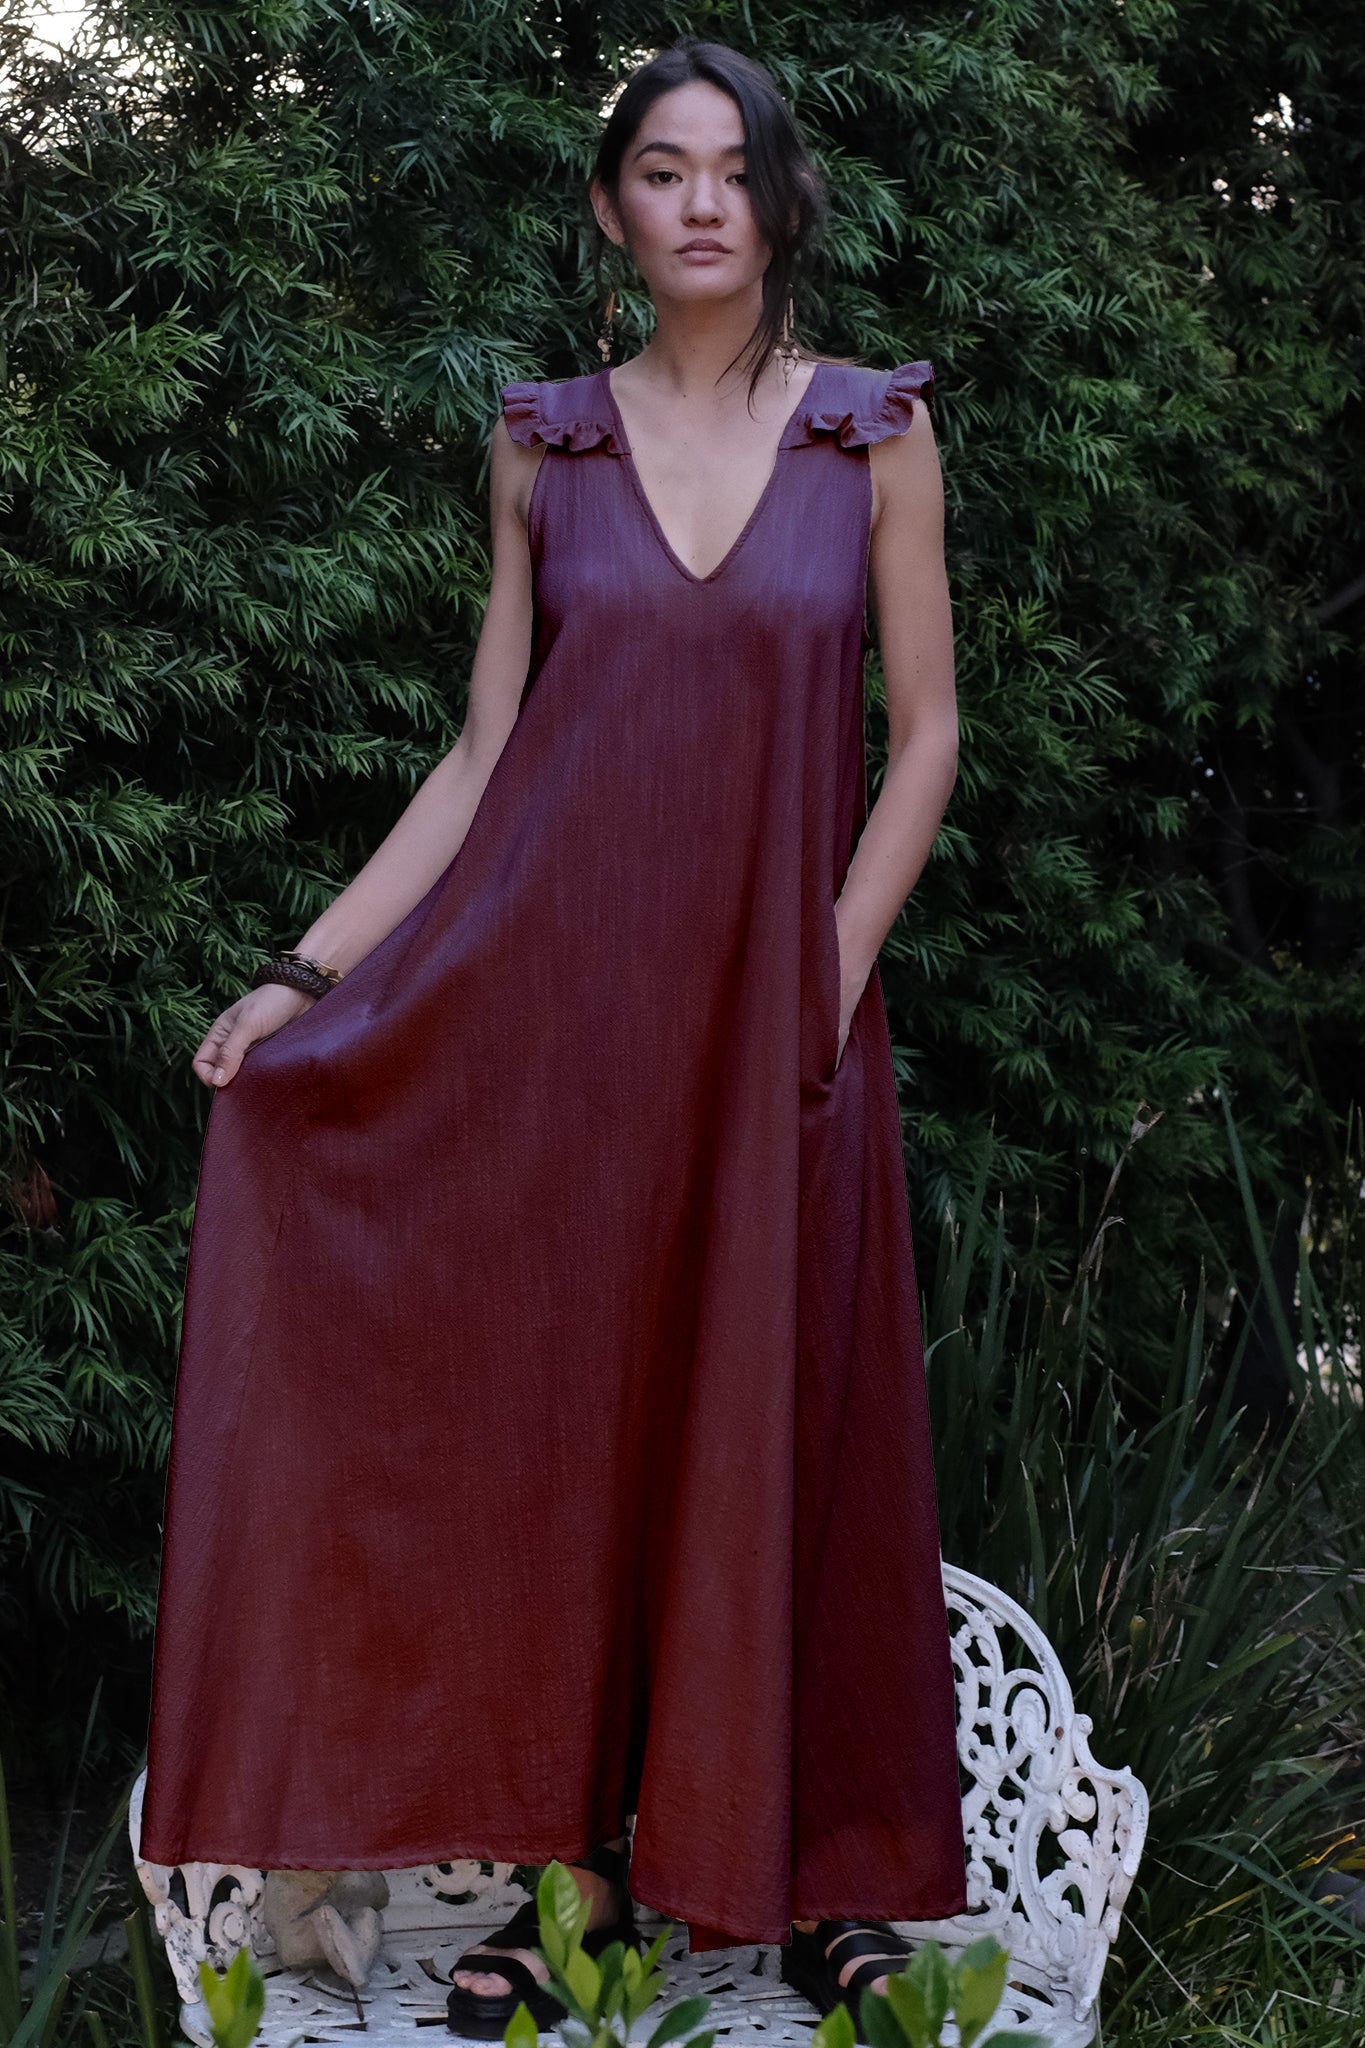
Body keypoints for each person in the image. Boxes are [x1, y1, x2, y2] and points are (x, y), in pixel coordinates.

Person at [138, 35, 968, 2045]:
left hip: (780, 1036)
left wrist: (833, 966)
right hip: (564, 1034)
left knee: (794, 1420)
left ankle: (824, 1884)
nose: (698, 201)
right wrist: (312, 978)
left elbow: (927, 730)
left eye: (731, 170)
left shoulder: (872, 435)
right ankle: (561, 1885)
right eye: (658, 170)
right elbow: (484, 751)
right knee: (580, 1437)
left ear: (777, 208)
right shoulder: (540, 446)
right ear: (609, 212)